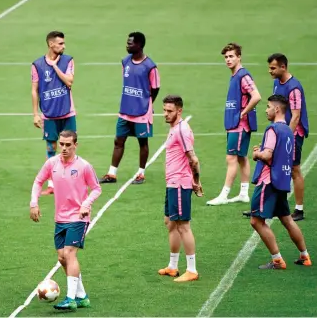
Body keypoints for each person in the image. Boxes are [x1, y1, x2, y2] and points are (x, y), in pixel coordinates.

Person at [30, 130, 101, 310]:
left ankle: (70, 299)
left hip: (79, 217)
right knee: (62, 258)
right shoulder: (52, 163)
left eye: (68, 145)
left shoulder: (84, 166)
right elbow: (38, 181)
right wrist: (34, 203)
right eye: (61, 144)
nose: (64, 148)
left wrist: (86, 204)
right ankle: (82, 296)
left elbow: (96, 188)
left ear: (75, 145)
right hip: (60, 218)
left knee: (70, 253)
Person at [248, 95, 311, 269]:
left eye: (268, 106)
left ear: (277, 109)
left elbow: (268, 155)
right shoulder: (289, 132)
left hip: (268, 181)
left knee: (256, 221)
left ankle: (277, 260)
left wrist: (257, 154)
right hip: (282, 181)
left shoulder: (272, 129)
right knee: (287, 219)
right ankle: (305, 256)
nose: (266, 110)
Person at [99, 31, 160, 185]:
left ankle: (141, 173)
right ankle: (111, 174)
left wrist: (147, 102)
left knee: (142, 143)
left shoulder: (150, 66)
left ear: (139, 45)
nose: (127, 45)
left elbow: (155, 87)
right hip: (125, 111)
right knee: (118, 141)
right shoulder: (125, 62)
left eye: (130, 43)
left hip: (142, 112)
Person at [207, 43, 261, 206]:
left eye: (231, 56)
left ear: (239, 57)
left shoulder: (243, 76)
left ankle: (224, 195)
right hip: (235, 124)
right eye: (226, 57)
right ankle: (243, 193)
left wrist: (243, 113)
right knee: (241, 158)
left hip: (239, 126)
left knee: (231, 158)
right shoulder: (235, 75)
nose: (228, 60)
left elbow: (256, 96)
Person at [158, 95, 202, 282]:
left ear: (179, 111)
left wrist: (196, 181)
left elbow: (193, 159)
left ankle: (192, 270)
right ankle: (173, 266)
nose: (166, 114)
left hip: (179, 183)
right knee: (170, 222)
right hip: (172, 183)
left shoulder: (182, 130)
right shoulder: (174, 128)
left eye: (170, 111)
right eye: (164, 110)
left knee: (183, 225)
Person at [31, 31, 76, 195]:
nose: (63, 46)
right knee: (51, 148)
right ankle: (52, 185)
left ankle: (71, 180)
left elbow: (69, 81)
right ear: (51, 44)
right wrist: (36, 114)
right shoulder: (37, 65)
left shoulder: (68, 60)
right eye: (60, 43)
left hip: (67, 112)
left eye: (64, 43)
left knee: (69, 147)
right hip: (49, 114)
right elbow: (34, 90)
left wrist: (55, 66)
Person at [266, 53, 309, 221]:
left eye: (273, 68)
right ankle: (271, 205)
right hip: (281, 132)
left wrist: (287, 137)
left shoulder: (294, 88)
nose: (270, 71)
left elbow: (296, 116)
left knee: (294, 169)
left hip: (293, 134)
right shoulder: (277, 83)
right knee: (276, 167)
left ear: (283, 67)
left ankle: (299, 209)